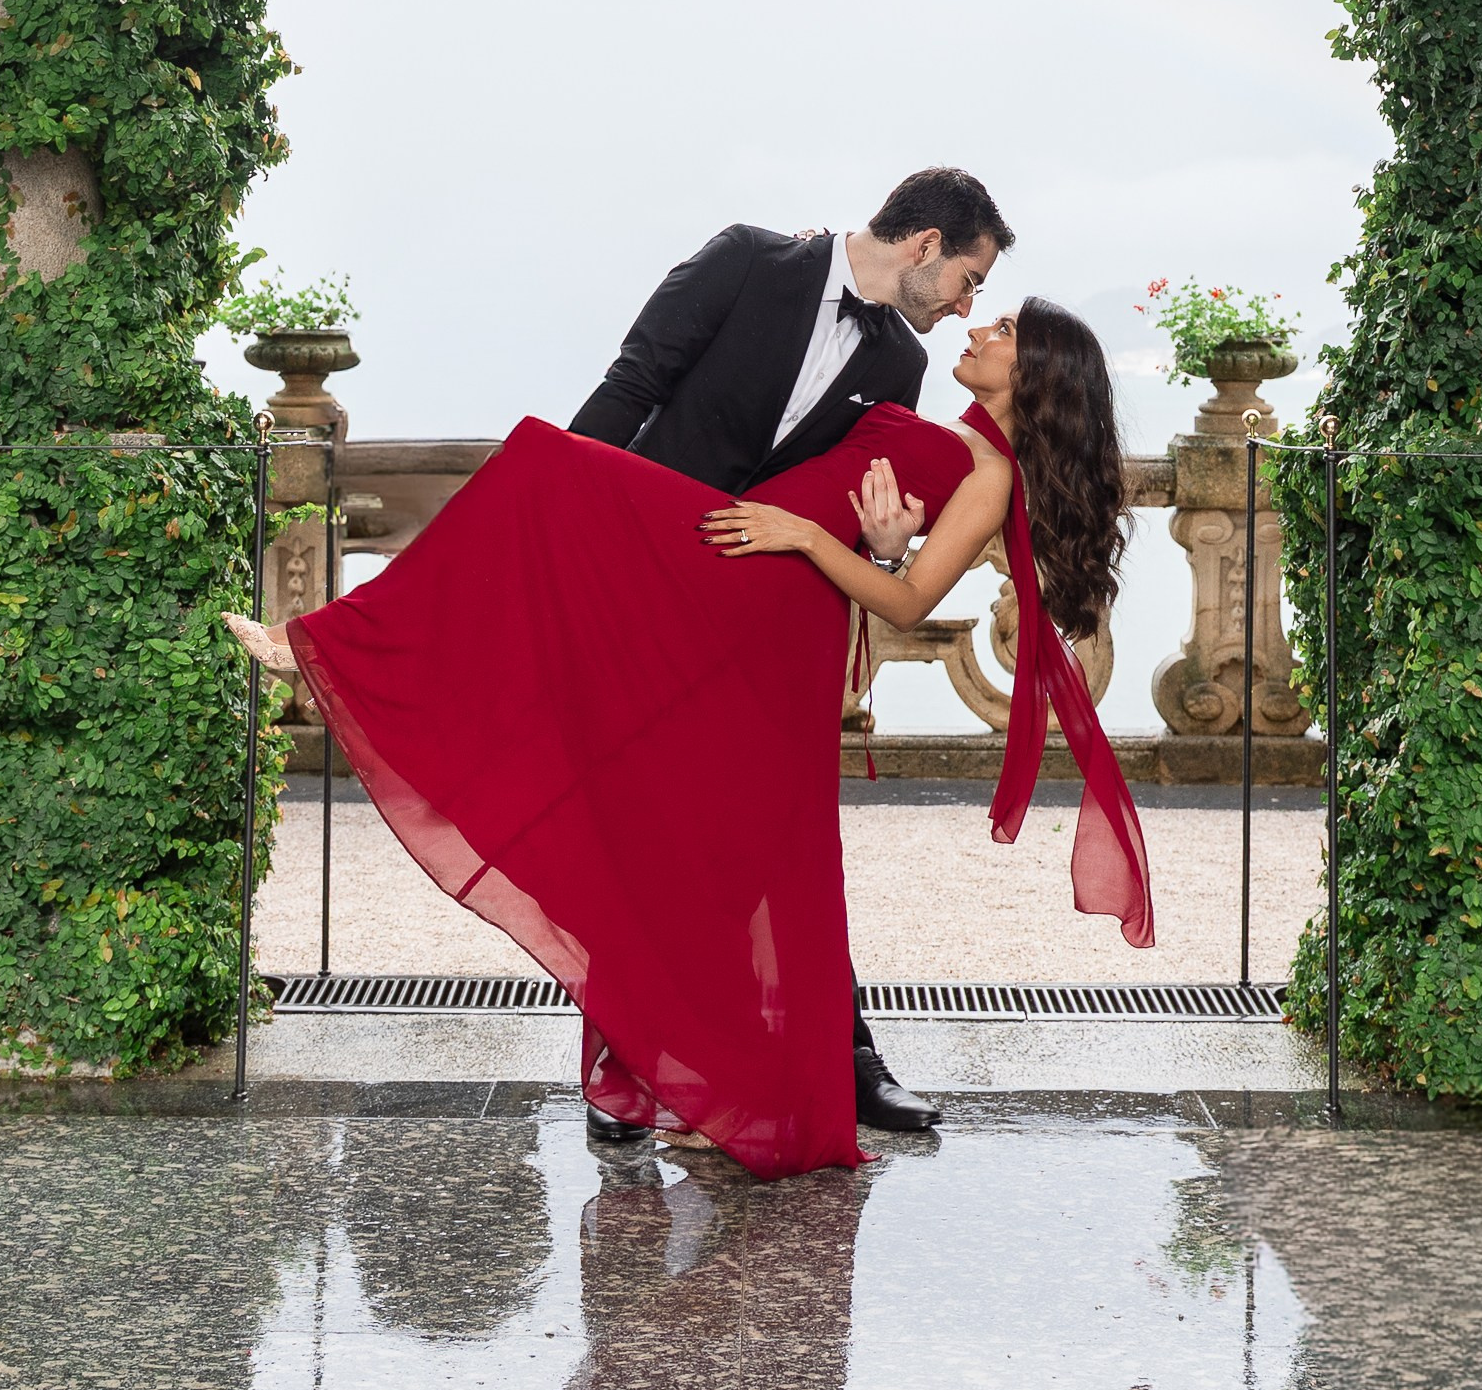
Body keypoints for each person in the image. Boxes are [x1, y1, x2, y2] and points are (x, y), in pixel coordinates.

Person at [226, 297, 1152, 1183]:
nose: (980, 326)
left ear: (1033, 375)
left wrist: (824, 542)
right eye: (988, 310)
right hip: (730, 566)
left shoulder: (992, 475)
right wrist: (865, 542)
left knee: (548, 468)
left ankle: (326, 650)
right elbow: (852, 512)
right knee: (666, 826)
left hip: (767, 605)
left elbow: (908, 602)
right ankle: (333, 649)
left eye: (1005, 328)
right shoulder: (936, 418)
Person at [563, 166, 1015, 1132]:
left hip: (773, 618)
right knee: (648, 829)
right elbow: (630, 388)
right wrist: (565, 512)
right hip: (655, 588)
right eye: (970, 279)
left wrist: (884, 548)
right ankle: (624, 1064)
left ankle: (843, 1053)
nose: (971, 303)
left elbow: (850, 507)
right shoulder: (745, 260)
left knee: (779, 834)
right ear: (927, 243)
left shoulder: (901, 365)